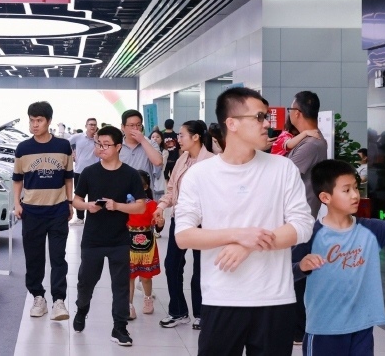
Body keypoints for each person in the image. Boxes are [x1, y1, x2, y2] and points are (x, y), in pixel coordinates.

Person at [174, 87, 314, 356]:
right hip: (221, 297)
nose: (267, 124)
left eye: (266, 117)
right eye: (259, 117)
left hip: (274, 299)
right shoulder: (200, 175)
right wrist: (239, 235)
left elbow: (302, 225)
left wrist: (249, 244)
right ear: (232, 123)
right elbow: (184, 236)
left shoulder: (282, 168)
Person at [293, 159, 385, 355]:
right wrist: (302, 266)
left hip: (362, 328)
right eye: (346, 190)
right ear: (325, 197)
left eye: (356, 188)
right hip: (324, 330)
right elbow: (287, 273)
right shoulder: (310, 235)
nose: (355, 195)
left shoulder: (370, 230)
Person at [71, 125, 147, 346]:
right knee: (86, 282)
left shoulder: (130, 174)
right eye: (98, 144)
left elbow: (141, 206)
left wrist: (117, 206)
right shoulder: (89, 172)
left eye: (106, 145)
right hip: (92, 239)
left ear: (118, 147)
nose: (101, 148)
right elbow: (76, 200)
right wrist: (88, 206)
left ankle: (119, 327)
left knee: (120, 285)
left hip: (119, 239)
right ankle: (81, 309)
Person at [13, 101, 74, 321]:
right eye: (32, 120)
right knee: (34, 258)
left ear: (49, 121)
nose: (34, 124)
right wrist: (17, 203)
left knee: (58, 257)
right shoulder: (23, 148)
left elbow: (68, 177)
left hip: (57, 210)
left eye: (39, 120)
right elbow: (17, 179)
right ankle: (38, 297)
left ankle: (59, 300)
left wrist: (69, 202)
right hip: (31, 211)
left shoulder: (63, 146)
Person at [154, 120, 214, 331]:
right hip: (179, 219)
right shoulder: (182, 159)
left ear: (196, 137)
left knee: (200, 268)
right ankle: (178, 311)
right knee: (172, 264)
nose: (177, 139)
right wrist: (161, 206)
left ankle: (201, 314)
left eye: (182, 135)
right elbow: (171, 189)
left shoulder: (212, 162)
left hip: (203, 223)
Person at [286, 90, 328, 344]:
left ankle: (297, 330)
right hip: (296, 218)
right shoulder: (309, 139)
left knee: (295, 276)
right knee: (293, 273)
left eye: (291, 109)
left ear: (298, 113)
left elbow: (285, 173)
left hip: (299, 220)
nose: (289, 114)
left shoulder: (312, 144)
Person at [128, 170, 163, 320]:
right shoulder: (125, 205)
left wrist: (160, 223)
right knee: (129, 276)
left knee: (146, 276)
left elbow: (159, 226)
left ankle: (147, 299)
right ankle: (128, 305)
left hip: (147, 245)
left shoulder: (152, 204)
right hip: (128, 243)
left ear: (145, 187)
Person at [68, 118, 99, 225]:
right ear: (86, 126)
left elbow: (101, 151)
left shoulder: (99, 139)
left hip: (95, 172)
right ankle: (80, 218)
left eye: (94, 125)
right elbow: (66, 143)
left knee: (94, 195)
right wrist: (71, 153)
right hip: (79, 171)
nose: (93, 126)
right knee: (79, 195)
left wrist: (96, 140)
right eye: (90, 124)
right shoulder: (78, 137)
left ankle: (94, 217)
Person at [119, 110, 163, 177]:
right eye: (131, 125)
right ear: (123, 127)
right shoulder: (117, 145)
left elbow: (158, 162)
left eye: (138, 125)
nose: (136, 128)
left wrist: (142, 140)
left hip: (145, 183)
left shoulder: (151, 143)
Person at [148, 130, 169, 200]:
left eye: (157, 137)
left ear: (161, 139)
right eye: (153, 137)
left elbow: (161, 165)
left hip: (159, 179)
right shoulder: (146, 151)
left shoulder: (164, 152)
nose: (155, 138)